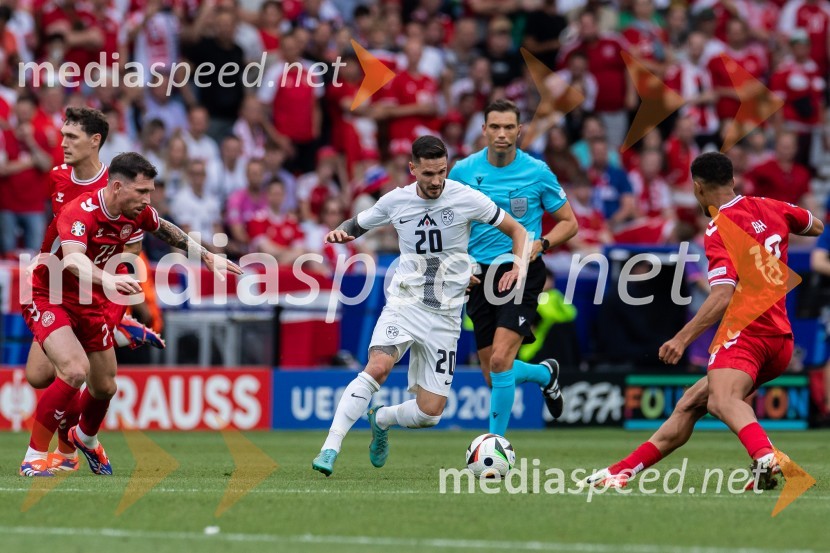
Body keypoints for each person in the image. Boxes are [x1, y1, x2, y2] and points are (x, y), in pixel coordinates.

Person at [585, 152, 824, 491]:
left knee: (721, 401)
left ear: (697, 186)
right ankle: (620, 472)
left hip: (747, 334)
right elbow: (815, 226)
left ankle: (766, 457)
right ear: (733, 181)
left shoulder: (718, 227)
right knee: (690, 404)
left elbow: (721, 295)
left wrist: (681, 339)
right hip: (780, 340)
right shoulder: (770, 206)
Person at [311, 136, 528, 477]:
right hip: (406, 302)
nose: (436, 181)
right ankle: (330, 447)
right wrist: (340, 232)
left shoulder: (466, 198)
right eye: (428, 173)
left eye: (441, 172)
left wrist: (518, 265)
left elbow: (517, 229)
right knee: (378, 366)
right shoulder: (395, 201)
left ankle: (381, 418)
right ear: (412, 169)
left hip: (445, 316)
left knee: (430, 412)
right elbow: (356, 224)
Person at [20, 152, 243, 476]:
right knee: (72, 369)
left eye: (150, 191)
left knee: (105, 386)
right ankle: (33, 458)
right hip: (48, 294)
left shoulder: (135, 213)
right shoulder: (81, 213)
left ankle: (82, 438)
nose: (148, 199)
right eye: (142, 192)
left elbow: (165, 228)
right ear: (118, 187)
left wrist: (207, 255)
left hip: (89, 300)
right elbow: (73, 261)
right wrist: (108, 278)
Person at [23, 107, 164, 473]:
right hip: (56, 284)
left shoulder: (119, 188)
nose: (63, 142)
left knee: (88, 378)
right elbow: (63, 244)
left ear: (95, 141)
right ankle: (68, 448)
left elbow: (131, 252)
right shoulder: (57, 178)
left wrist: (114, 301)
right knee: (42, 375)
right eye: (63, 135)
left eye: (71, 137)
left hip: (97, 291)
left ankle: (65, 453)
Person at [448, 99, 578, 437]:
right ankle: (544, 375)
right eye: (495, 127)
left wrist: (541, 244)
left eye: (509, 127)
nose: (502, 134)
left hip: (520, 270)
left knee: (501, 361)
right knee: (493, 373)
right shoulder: (462, 171)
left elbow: (569, 222)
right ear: (484, 131)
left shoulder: (537, 172)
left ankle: (495, 444)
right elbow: (451, 224)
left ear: (520, 131)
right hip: (479, 276)